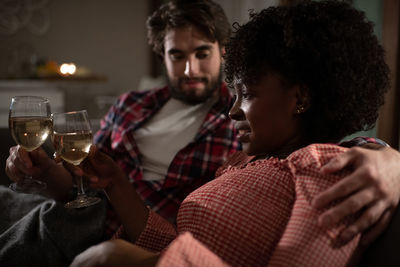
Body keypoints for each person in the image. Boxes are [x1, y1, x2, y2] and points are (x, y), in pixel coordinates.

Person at [3, 0, 400, 252]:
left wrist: (392, 160)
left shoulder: (252, 131)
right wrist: (52, 174)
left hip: (106, 238)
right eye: (177, 55)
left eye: (202, 53)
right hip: (78, 212)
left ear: (223, 53)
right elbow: (80, 186)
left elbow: (330, 149)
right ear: (163, 57)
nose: (190, 68)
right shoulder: (132, 105)